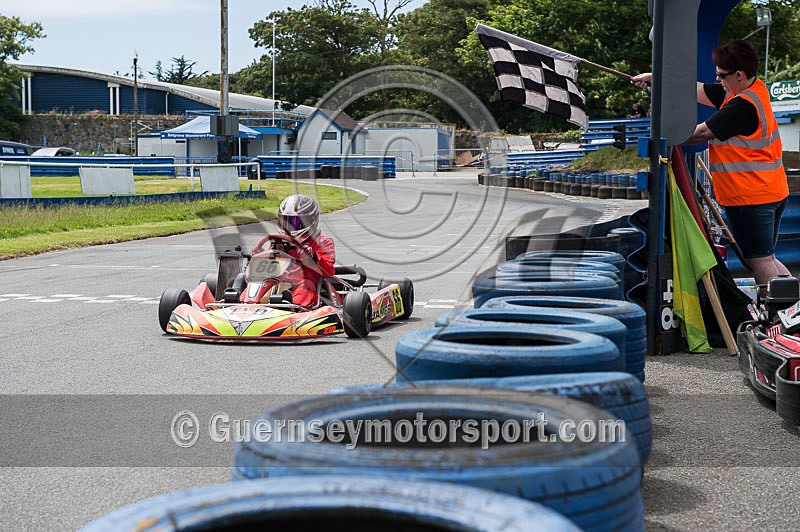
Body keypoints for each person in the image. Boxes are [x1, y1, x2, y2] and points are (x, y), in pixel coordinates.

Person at [632, 40, 790, 293]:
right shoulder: (748, 90)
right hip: (769, 192)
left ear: (738, 75)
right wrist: (657, 79)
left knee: (760, 262)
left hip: (749, 196)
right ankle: (792, 311)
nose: (717, 81)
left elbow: (702, 133)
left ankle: (776, 318)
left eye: (721, 76)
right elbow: (696, 90)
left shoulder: (742, 106)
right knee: (766, 258)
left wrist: (665, 138)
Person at [275, 194, 336, 307]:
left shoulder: (322, 242)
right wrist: (258, 256)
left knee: (305, 285)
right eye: (286, 221)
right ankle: (244, 303)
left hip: (307, 286)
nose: (289, 227)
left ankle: (293, 308)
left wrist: (314, 257)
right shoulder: (279, 243)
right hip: (279, 284)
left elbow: (329, 271)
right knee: (256, 282)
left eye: (295, 222)